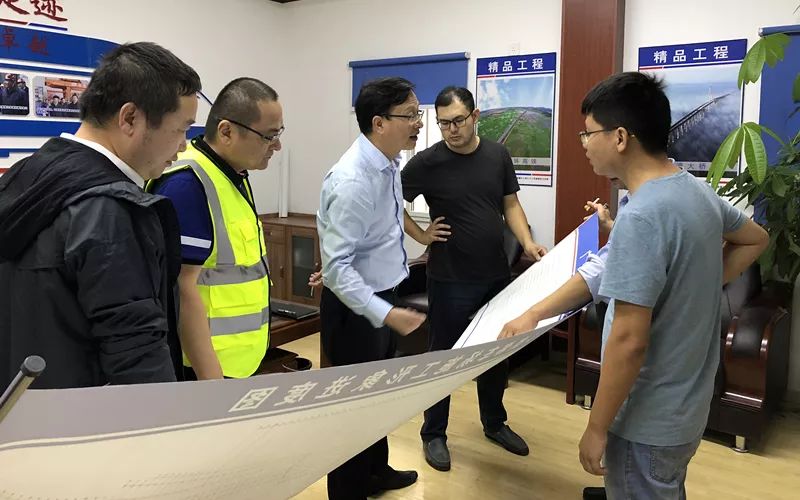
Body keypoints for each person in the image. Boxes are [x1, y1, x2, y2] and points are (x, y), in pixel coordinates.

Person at [504, 71, 768, 499]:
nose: (584, 143)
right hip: (685, 407)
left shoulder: (643, 216)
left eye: (588, 133)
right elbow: (755, 238)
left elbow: (629, 341)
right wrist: (535, 312)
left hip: (647, 419)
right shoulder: (693, 191)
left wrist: (596, 427)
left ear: (620, 137)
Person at [0, 42, 201, 390]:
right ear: (130, 118)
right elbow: (137, 353)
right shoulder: (111, 209)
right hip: (85, 412)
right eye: (182, 129)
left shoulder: (26, 175)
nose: (183, 146)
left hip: (21, 403)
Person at [400, 86, 546, 471]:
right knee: (442, 359)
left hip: (495, 274)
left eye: (458, 121)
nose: (451, 130)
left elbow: (510, 203)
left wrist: (528, 243)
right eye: (443, 123)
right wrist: (421, 235)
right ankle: (434, 433)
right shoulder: (427, 163)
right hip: (449, 278)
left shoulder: (497, 156)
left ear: (475, 116)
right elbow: (389, 200)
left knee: (494, 354)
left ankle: (494, 423)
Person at [316, 77, 425, 500]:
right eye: (410, 115)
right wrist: (385, 312)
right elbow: (337, 269)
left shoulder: (387, 163)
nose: (418, 123)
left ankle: (375, 472)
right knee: (351, 411)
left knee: (375, 398)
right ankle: (348, 491)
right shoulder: (354, 180)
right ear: (379, 123)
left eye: (417, 113)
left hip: (383, 297)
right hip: (357, 310)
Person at [148, 78, 281, 380]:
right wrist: (213, 383)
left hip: (238, 361)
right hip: (205, 371)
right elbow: (182, 290)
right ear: (226, 131)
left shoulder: (232, 174)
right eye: (269, 136)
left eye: (279, 133)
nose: (277, 146)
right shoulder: (187, 185)